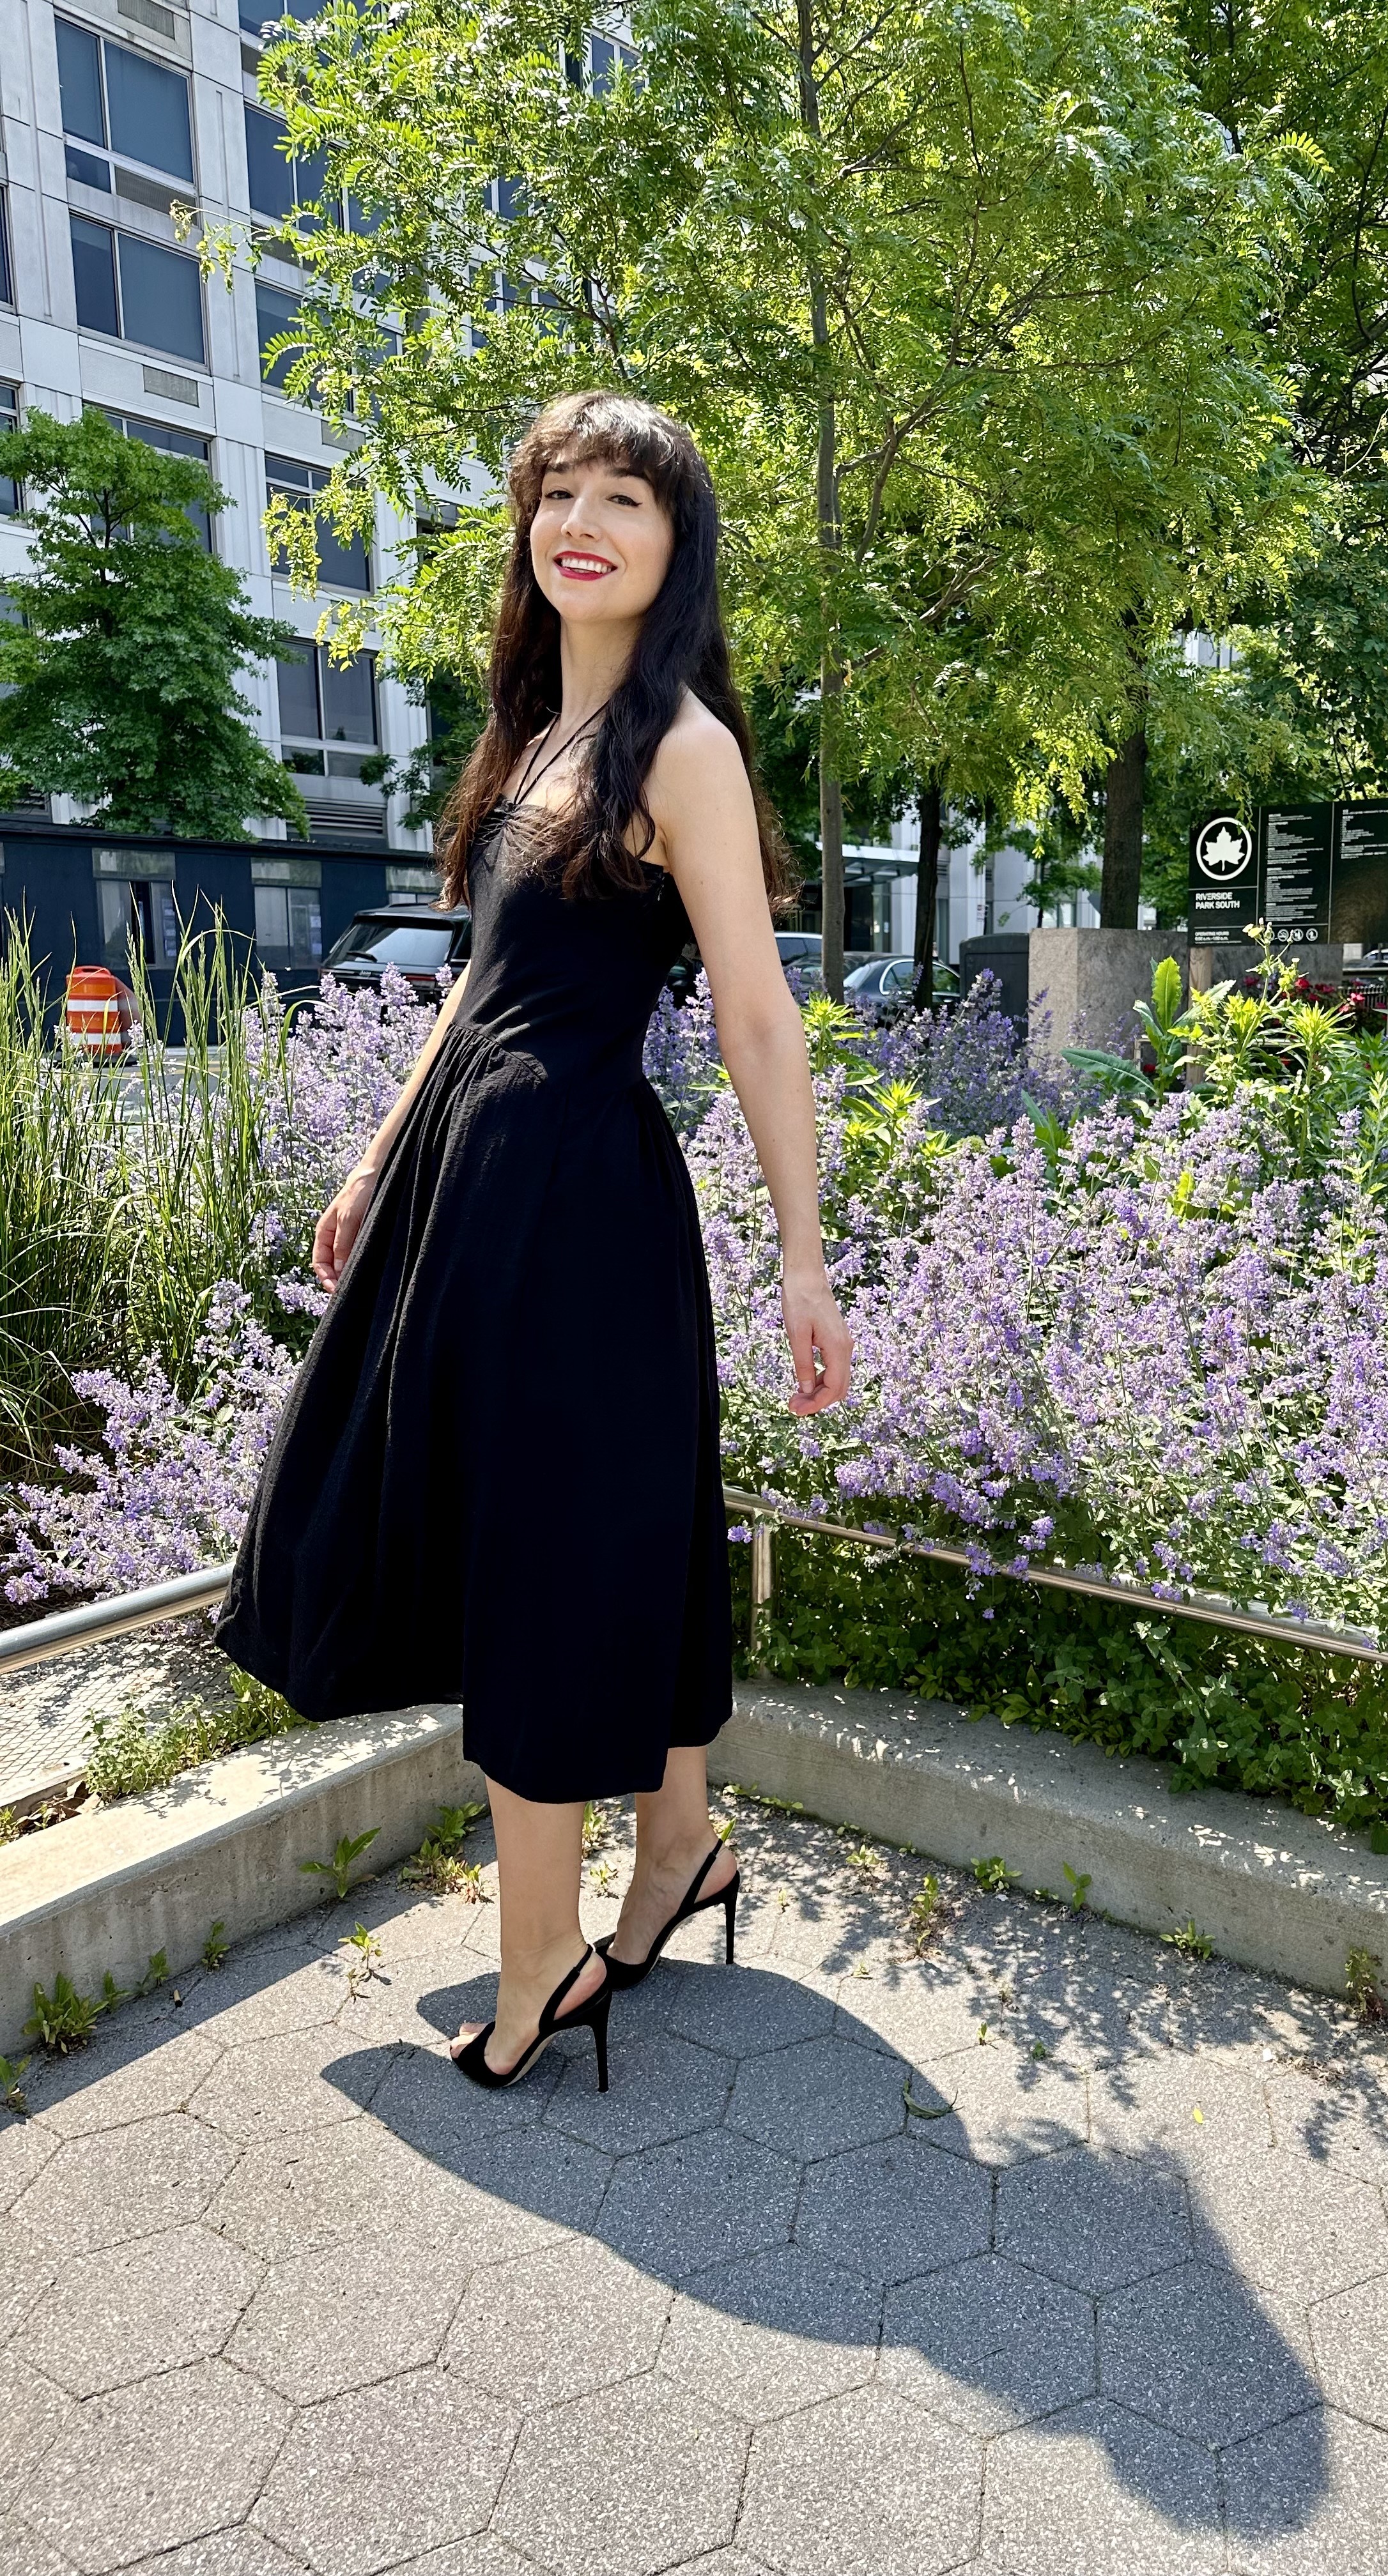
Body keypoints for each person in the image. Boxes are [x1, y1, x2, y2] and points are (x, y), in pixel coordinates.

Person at [217, 390, 851, 2092]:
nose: (583, 520)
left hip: (572, 1202)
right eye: (557, 493)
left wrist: (806, 1255)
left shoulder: (682, 748)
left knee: (551, 1562)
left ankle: (538, 1962)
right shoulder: (535, 744)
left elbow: (759, 1017)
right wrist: (377, 1150)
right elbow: (474, 993)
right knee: (596, 1532)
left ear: (675, 547)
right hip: (472, 1187)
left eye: (625, 499)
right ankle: (676, 1850)